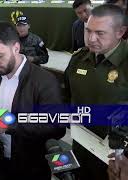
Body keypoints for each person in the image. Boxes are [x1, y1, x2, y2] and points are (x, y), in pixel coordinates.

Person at [0, 21, 66, 180]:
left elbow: (57, 127)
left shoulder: (45, 81)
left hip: (31, 165)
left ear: (16, 48)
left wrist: (11, 126)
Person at [64, 4, 128, 180]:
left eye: (100, 33)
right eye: (88, 31)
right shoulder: (78, 59)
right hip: (82, 142)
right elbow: (68, 95)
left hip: (117, 154)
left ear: (120, 32)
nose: (91, 39)